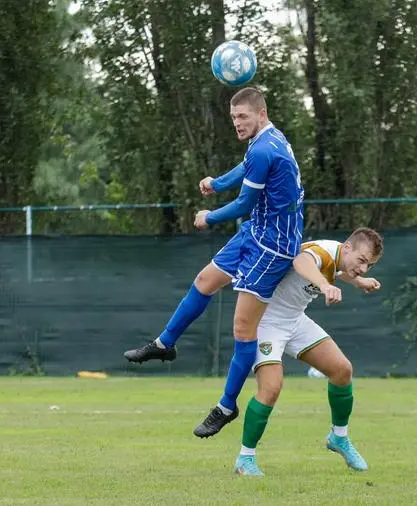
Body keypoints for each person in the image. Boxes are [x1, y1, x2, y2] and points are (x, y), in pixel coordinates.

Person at [124, 87, 305, 428]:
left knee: (242, 326)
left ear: (261, 114)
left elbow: (244, 204)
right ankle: (164, 344)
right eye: (234, 117)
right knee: (204, 281)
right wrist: (218, 182)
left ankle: (226, 406)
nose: (237, 123)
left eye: (243, 117)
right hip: (257, 231)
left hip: (274, 245)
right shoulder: (266, 138)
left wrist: (209, 216)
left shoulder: (265, 148)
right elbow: (246, 167)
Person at [196, 228, 385, 477]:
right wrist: (323, 284)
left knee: (342, 370)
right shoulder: (322, 253)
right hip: (267, 323)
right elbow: (302, 260)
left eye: (369, 266)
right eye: (361, 261)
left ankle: (339, 438)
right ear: (346, 247)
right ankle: (245, 459)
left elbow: (339, 269)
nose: (363, 268)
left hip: (294, 320)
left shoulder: (339, 258)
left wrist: (358, 281)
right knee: (271, 389)